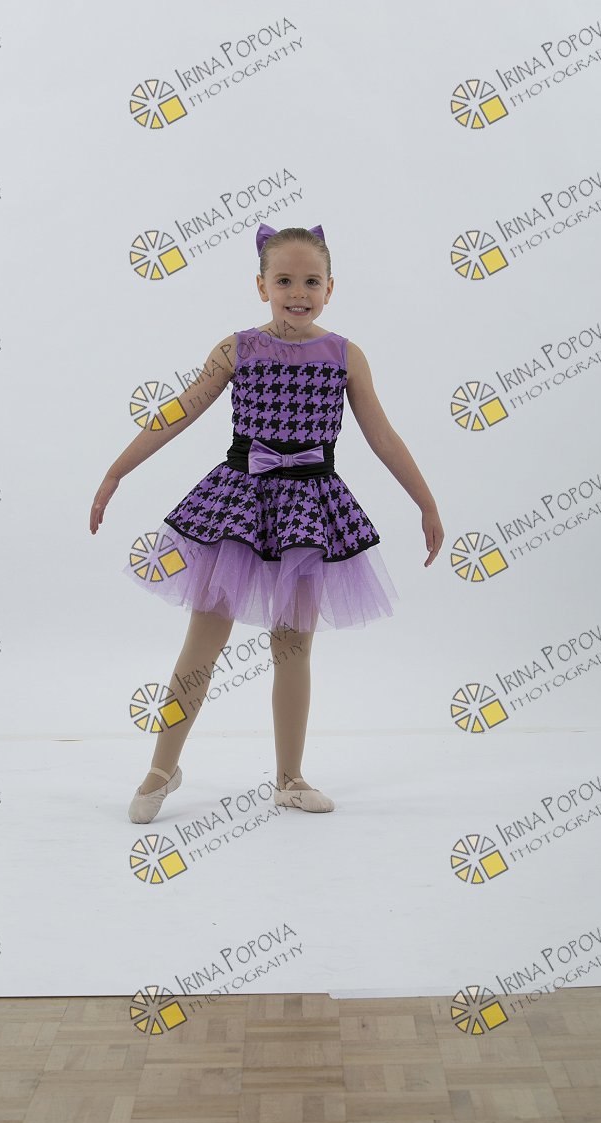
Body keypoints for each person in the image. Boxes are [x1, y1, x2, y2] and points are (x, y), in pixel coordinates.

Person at [89, 222, 444, 822]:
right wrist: (115, 472)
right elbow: (180, 411)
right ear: (261, 286)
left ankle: (289, 777)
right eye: (284, 281)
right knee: (203, 640)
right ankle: (162, 767)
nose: (298, 293)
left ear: (330, 288)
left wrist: (426, 502)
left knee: (293, 645)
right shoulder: (237, 349)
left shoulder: (346, 355)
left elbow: (381, 435)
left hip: (307, 511)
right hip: (239, 506)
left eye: (311, 281)